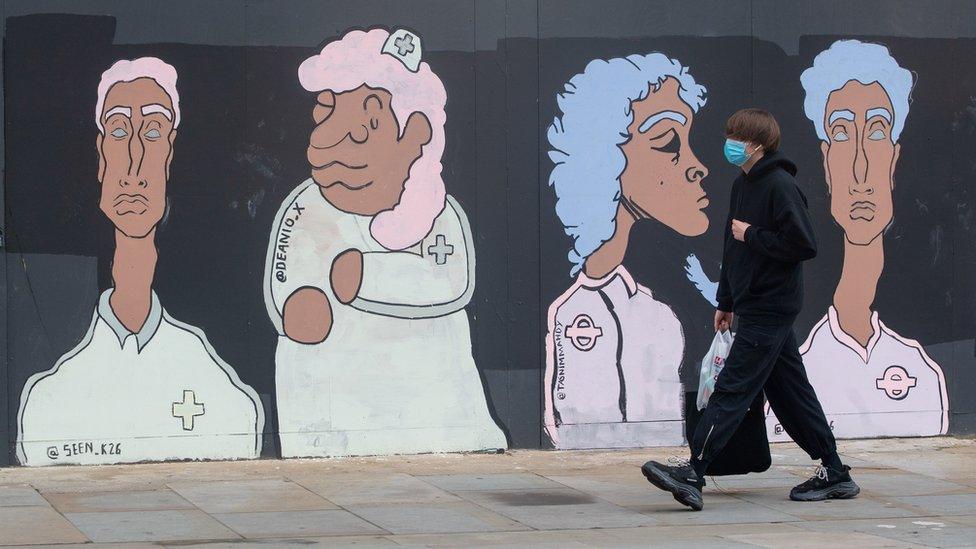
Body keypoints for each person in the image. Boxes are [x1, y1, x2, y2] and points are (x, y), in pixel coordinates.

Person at [264, 28, 506, 457]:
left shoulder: (437, 214)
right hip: (332, 413)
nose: (337, 140)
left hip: (436, 413)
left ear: (415, 135)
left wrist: (368, 274)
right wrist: (297, 302)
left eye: (370, 124)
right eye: (327, 112)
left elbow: (450, 283)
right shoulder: (306, 208)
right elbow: (286, 265)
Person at [18, 57, 264, 466]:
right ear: (100, 156)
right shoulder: (46, 400)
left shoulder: (223, 392)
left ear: (171, 155)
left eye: (152, 132)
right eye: (118, 131)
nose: (134, 162)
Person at [641, 109, 859, 510]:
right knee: (791, 393)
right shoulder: (744, 185)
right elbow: (732, 247)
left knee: (733, 386)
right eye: (730, 133)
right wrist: (726, 302)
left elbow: (803, 244)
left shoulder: (779, 185)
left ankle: (693, 470)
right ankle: (835, 471)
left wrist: (754, 234)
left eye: (737, 136)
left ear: (757, 144)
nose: (731, 142)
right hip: (753, 304)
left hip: (771, 306)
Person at [766, 39, 948, 440]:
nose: (861, 166)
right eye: (843, 133)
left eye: (878, 130)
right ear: (827, 161)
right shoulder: (806, 363)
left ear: (895, 159)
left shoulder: (921, 371)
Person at [544, 52, 710, 449]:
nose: (697, 165)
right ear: (607, 158)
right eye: (668, 141)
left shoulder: (665, 314)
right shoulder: (567, 314)